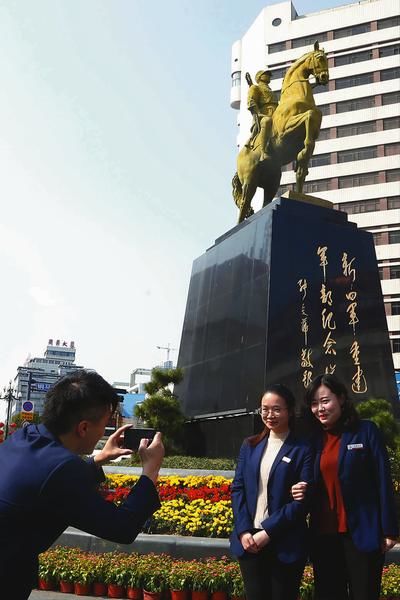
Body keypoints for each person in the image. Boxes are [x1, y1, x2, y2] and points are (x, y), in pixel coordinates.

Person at [0, 369, 164, 600]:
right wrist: (150, 470)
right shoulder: (63, 470)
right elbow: (122, 528)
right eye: (105, 424)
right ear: (84, 428)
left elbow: (47, 482)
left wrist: (98, 459)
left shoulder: (25, 436)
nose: (103, 433)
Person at [292, 373, 399, 600]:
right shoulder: (311, 439)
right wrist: (299, 490)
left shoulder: (366, 431)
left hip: (362, 533)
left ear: (341, 398)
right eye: (314, 403)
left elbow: (382, 479)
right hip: (324, 537)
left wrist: (390, 530)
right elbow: (308, 481)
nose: (319, 408)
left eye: (325, 400)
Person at [230, 383, 313, 600]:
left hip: (285, 542)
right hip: (249, 540)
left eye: (277, 409)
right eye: (264, 409)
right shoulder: (250, 445)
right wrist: (244, 531)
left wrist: (267, 532)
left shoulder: (303, 449)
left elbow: (301, 501)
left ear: (289, 410)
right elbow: (237, 489)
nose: (270, 414)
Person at [246, 69, 278, 160]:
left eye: (268, 74)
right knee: (267, 121)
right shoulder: (255, 88)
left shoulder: (271, 91)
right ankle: (263, 152)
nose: (268, 76)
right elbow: (251, 102)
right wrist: (258, 113)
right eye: (266, 74)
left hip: (276, 112)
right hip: (264, 114)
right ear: (259, 77)